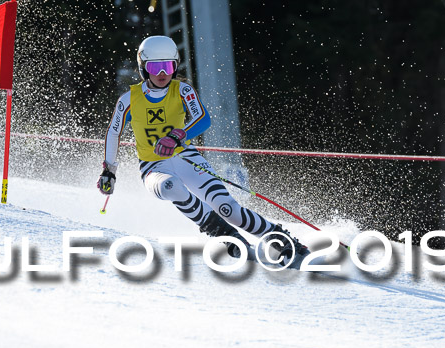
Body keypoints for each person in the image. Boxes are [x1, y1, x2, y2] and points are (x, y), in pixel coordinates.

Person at [97, 35, 309, 266]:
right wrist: (109, 170)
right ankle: (227, 236)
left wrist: (178, 135)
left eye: (168, 66)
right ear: (143, 68)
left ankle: (288, 244)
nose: (162, 73)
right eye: (155, 67)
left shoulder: (182, 89)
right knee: (171, 187)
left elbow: (202, 118)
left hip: (187, 159)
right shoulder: (129, 99)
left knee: (229, 209)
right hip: (153, 168)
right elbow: (113, 133)